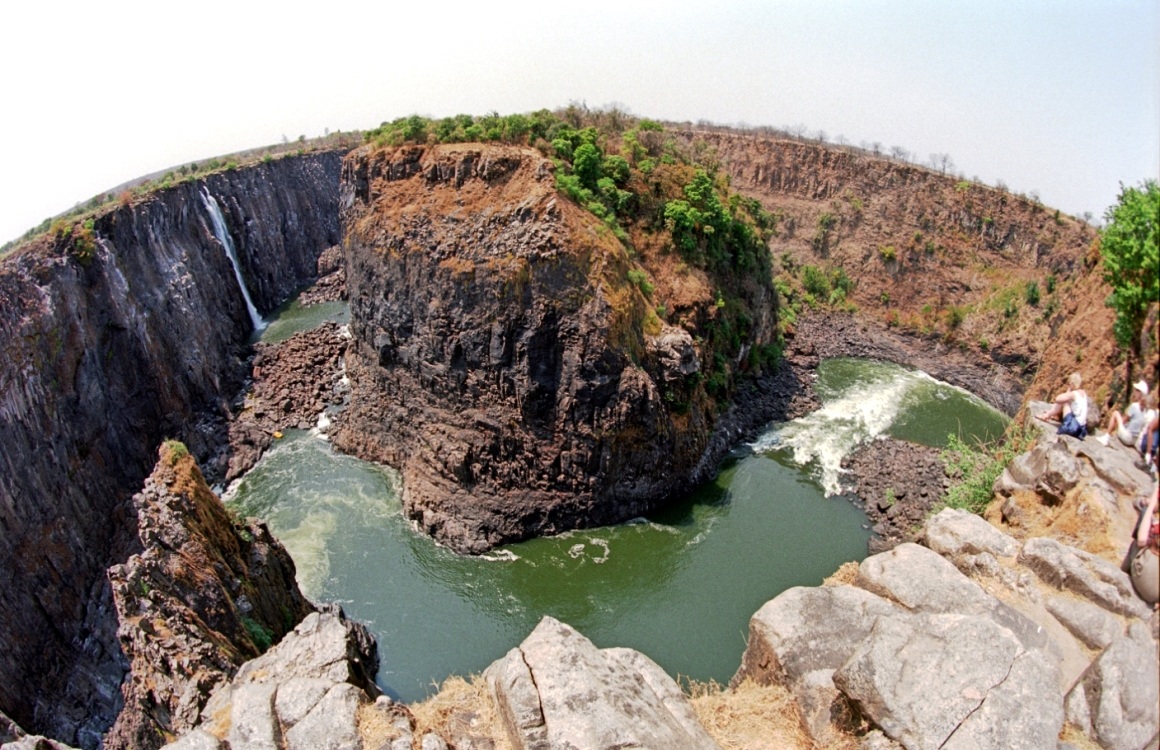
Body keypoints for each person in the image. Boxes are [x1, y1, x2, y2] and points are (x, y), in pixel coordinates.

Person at [1125, 482, 1159, 607]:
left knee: (1137, 543)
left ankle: (1122, 572)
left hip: (1151, 591)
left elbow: (1141, 540)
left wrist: (1150, 507)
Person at [1096, 380, 1151, 447]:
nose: (1134, 391)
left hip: (1127, 438)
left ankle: (1106, 437)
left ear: (1140, 393)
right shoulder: (1145, 410)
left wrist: (1118, 426)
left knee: (1116, 413)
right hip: (1134, 440)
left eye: (1136, 390)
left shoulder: (1134, 406)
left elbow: (1124, 420)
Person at [1039, 372, 1089, 439]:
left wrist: (1068, 391)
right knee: (1066, 401)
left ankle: (1046, 416)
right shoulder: (1083, 393)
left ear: (1072, 383)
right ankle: (1052, 415)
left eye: (1069, 383)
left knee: (1064, 401)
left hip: (1073, 427)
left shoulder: (1073, 394)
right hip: (1081, 430)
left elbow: (1057, 399)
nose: (1069, 385)